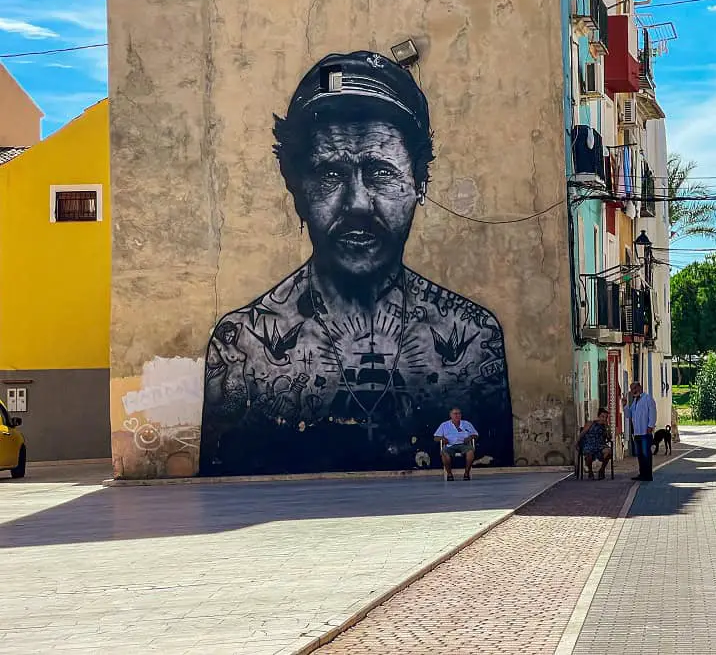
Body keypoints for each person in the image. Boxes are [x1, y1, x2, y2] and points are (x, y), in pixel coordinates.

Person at [199, 51, 513, 476]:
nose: (358, 204)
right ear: (294, 186)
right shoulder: (243, 346)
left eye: (381, 173)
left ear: (420, 182)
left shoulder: (473, 340)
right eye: (330, 175)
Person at [434, 408, 478, 481]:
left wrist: (470, 437)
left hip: (464, 445)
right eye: (455, 414)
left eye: (459, 413)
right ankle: (449, 474)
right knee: (444, 452)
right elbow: (435, 437)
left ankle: (466, 473)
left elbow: (476, 435)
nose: (457, 415)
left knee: (470, 452)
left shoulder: (466, 424)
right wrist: (442, 438)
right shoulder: (444, 425)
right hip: (450, 445)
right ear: (450, 415)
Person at [628, 382, 656, 481]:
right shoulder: (635, 401)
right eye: (632, 389)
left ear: (640, 387)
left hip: (645, 431)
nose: (633, 391)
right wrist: (624, 405)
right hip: (637, 432)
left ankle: (648, 475)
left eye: (635, 388)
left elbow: (653, 413)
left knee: (646, 453)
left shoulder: (648, 399)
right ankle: (642, 473)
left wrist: (650, 426)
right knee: (639, 454)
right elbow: (629, 414)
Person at [578, 408, 612, 480]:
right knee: (588, 453)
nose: (603, 419)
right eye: (602, 416)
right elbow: (582, 434)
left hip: (600, 445)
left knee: (608, 451)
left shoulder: (605, 426)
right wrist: (577, 443)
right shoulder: (590, 423)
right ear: (598, 416)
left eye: (605, 417)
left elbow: (609, 438)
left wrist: (607, 428)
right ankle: (590, 472)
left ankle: (602, 470)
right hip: (589, 444)